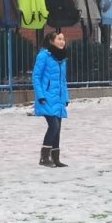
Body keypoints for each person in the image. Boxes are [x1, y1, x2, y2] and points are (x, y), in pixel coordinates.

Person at [32, 27, 70, 167]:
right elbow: (36, 76)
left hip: (58, 98)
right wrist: (40, 95)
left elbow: (62, 80)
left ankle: (55, 158)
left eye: (63, 39)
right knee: (53, 126)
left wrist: (65, 97)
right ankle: (44, 157)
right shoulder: (44, 56)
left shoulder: (62, 58)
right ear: (51, 41)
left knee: (58, 128)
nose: (62, 42)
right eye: (59, 39)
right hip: (47, 97)